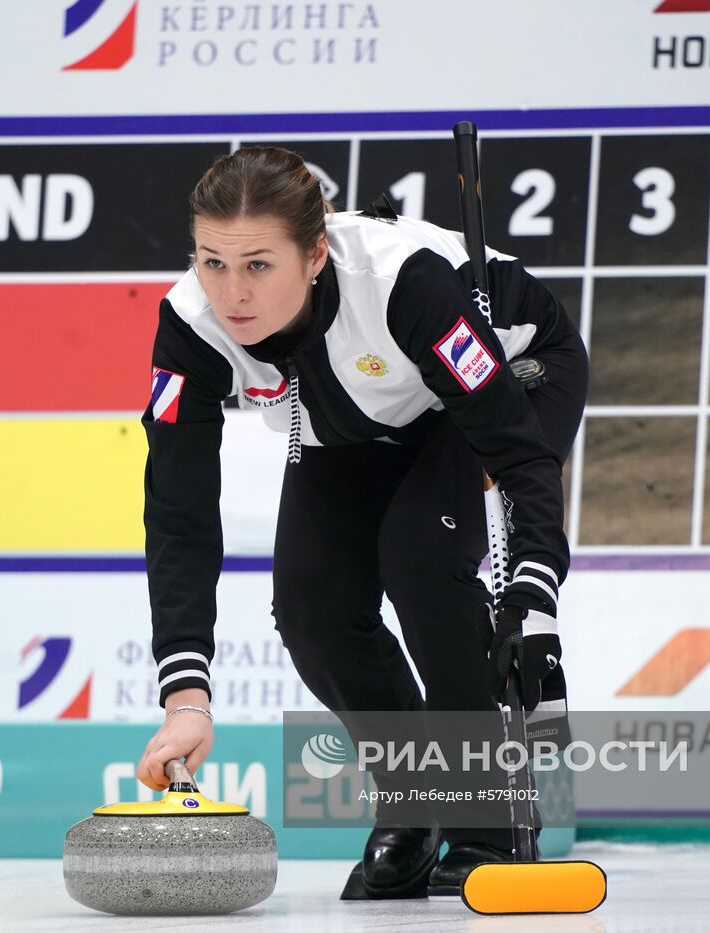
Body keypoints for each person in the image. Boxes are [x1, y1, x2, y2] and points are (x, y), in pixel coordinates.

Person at [134, 146, 588, 898]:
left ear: (314, 254)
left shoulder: (403, 284)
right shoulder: (189, 327)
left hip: (507, 378)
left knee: (419, 555)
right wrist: (187, 698)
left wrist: (535, 590)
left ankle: (485, 815)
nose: (231, 293)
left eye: (257, 265)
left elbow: (518, 451)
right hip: (351, 413)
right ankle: (418, 795)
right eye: (212, 262)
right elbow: (178, 514)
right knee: (312, 606)